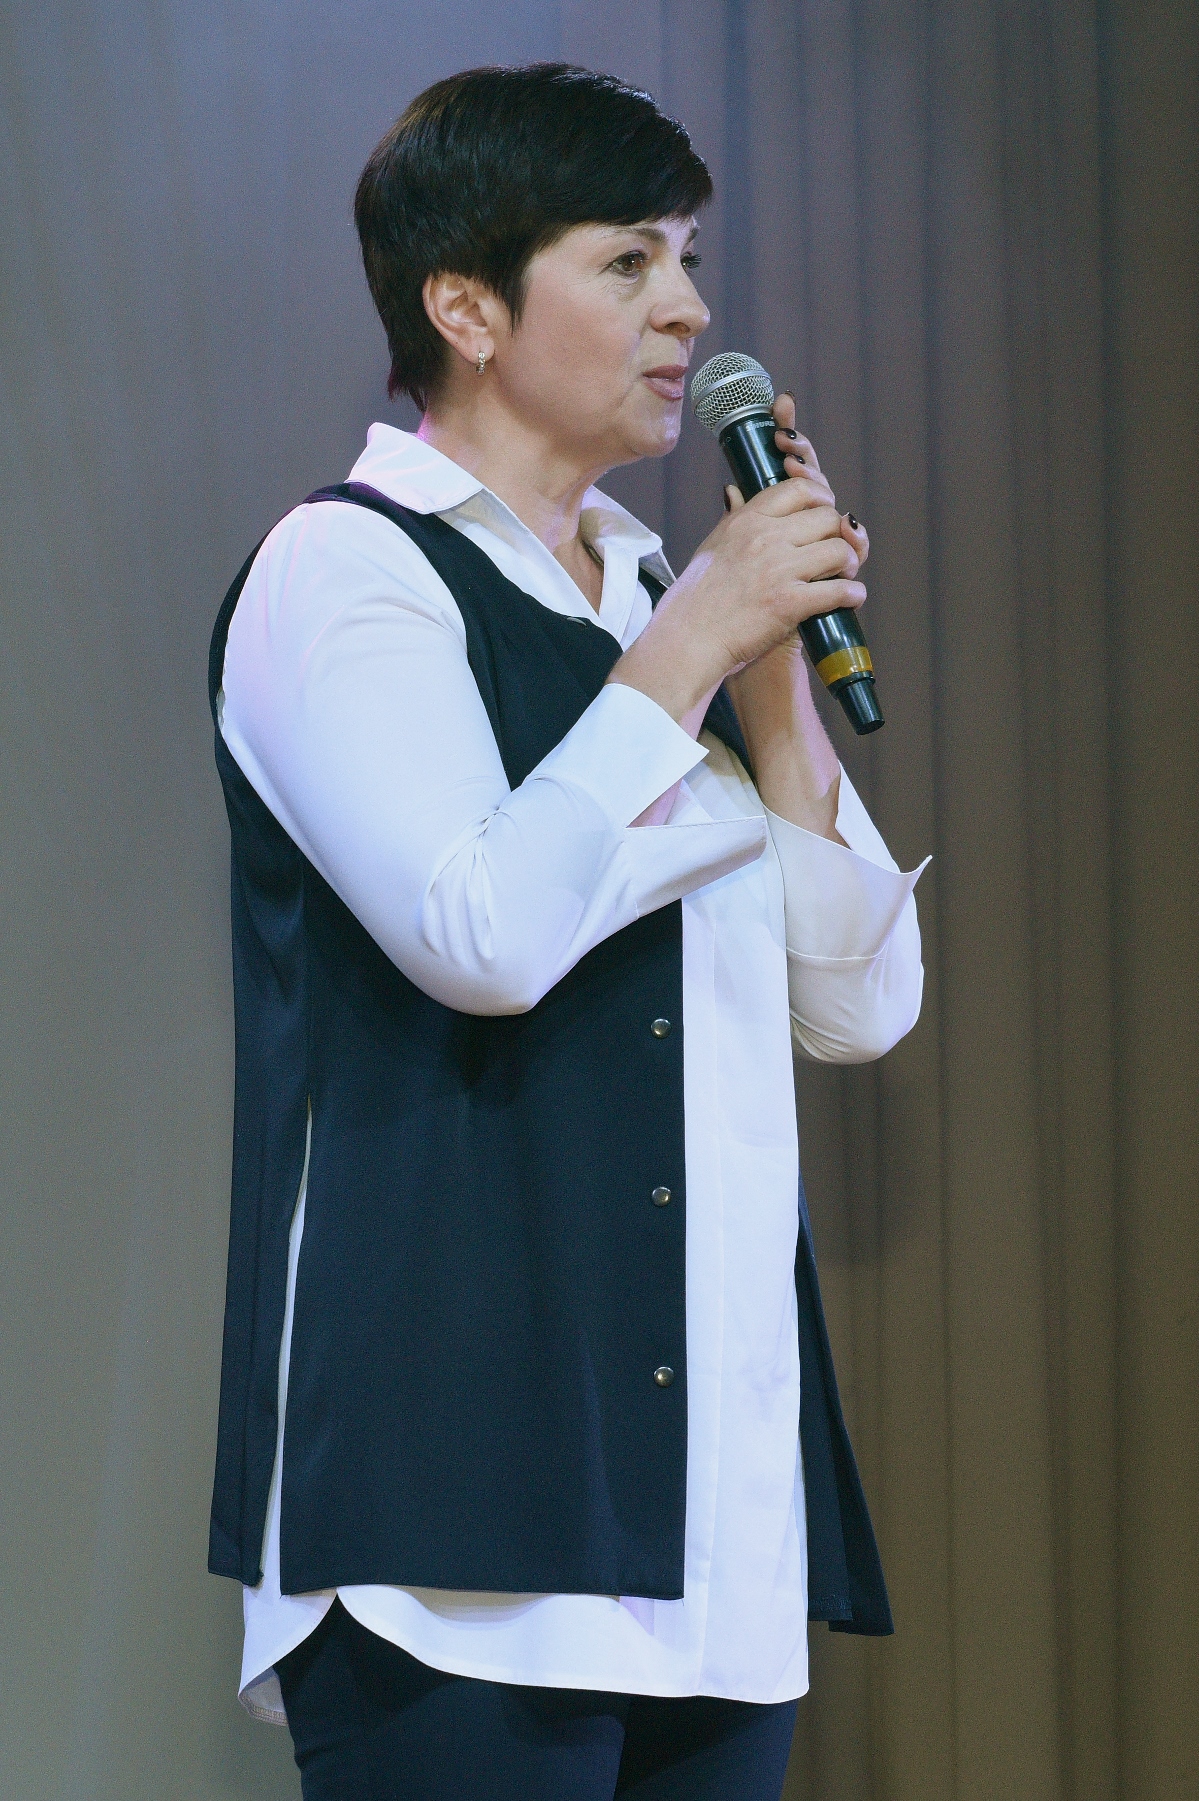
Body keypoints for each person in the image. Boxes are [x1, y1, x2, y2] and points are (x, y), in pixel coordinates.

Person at [208, 63, 926, 1801]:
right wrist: (688, 645)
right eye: (626, 261)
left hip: (711, 1545)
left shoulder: (653, 603)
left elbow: (862, 1005)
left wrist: (772, 680)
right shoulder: (345, 568)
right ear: (465, 308)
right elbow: (479, 929)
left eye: (688, 260)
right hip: (456, 1533)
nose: (688, 309)